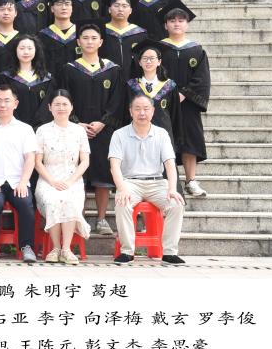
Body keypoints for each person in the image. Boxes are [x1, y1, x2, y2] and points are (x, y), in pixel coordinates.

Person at [59, 21, 125, 236]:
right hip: (74, 129)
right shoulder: (69, 69)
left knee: (102, 175)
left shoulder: (112, 70)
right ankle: (77, 218)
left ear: (101, 42)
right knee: (76, 175)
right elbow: (64, 98)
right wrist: (75, 122)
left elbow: (117, 100)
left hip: (104, 131)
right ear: (78, 42)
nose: (89, 41)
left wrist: (103, 122)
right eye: (85, 38)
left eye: (94, 38)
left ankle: (101, 218)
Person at [109, 94, 186, 264]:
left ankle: (169, 252)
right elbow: (114, 166)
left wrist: (172, 189)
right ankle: (127, 251)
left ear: (152, 111)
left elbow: (170, 165)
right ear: (130, 111)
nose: (142, 113)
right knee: (122, 203)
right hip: (130, 182)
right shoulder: (119, 134)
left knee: (176, 204)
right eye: (137, 109)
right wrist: (122, 189)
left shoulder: (162, 134)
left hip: (157, 182)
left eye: (146, 109)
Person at [159, 0, 211, 198]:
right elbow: (154, 72)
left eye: (181, 20)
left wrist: (184, 94)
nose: (177, 23)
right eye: (172, 20)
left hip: (188, 104)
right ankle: (164, 181)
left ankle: (191, 181)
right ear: (166, 25)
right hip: (163, 102)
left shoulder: (197, 50)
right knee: (163, 140)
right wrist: (168, 94)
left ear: (187, 24)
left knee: (190, 141)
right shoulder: (159, 49)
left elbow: (202, 79)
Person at [33, 89, 90, 264]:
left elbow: (85, 161)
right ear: (49, 107)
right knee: (53, 200)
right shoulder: (42, 130)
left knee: (70, 199)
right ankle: (55, 248)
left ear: (71, 107)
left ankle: (66, 249)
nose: (61, 108)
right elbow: (37, 162)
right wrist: (52, 181)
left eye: (65, 104)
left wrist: (70, 181)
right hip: (48, 179)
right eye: (57, 104)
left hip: (73, 179)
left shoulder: (79, 131)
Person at [0, 85, 38, 263]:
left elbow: (30, 158)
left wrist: (23, 182)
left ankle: (27, 247)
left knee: (26, 204)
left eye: (7, 100)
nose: (3, 105)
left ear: (15, 103)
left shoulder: (25, 129)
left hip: (18, 182)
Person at [127, 39, 179, 147]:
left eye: (152, 58)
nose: (148, 61)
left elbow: (175, 116)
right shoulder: (131, 86)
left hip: (163, 138)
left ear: (159, 61)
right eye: (145, 58)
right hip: (136, 138)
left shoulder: (169, 86)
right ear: (139, 62)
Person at [0, 34, 55, 130]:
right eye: (22, 48)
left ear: (36, 51)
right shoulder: (6, 78)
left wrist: (38, 126)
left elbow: (47, 105)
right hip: (13, 128)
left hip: (41, 129)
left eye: (30, 48)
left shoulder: (46, 78)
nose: (26, 52)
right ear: (15, 50)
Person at [102, 0, 148, 76]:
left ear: (130, 10)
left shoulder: (140, 33)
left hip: (133, 79)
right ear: (109, 9)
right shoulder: (101, 32)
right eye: (116, 5)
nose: (120, 9)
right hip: (107, 78)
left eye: (124, 6)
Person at [37, 0, 79, 79]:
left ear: (72, 8)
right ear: (52, 9)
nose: (64, 7)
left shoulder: (80, 33)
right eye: (59, 4)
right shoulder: (43, 36)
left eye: (67, 4)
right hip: (51, 83)